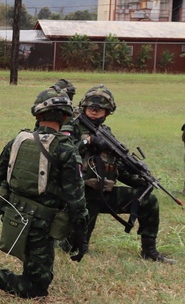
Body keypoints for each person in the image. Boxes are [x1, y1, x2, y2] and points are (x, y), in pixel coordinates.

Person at [0, 90, 88, 299]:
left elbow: (1, 175)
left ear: (37, 116)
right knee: (37, 288)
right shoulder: (65, 150)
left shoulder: (18, 141)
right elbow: (77, 200)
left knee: (38, 269)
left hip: (13, 216)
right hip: (41, 225)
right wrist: (80, 238)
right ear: (66, 117)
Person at [63, 85, 172, 263]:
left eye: (99, 110)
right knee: (72, 248)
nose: (94, 113)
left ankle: (149, 250)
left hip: (103, 195)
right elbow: (63, 154)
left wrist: (139, 179)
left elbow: (117, 168)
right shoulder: (72, 127)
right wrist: (88, 141)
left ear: (108, 112)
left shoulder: (106, 134)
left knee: (148, 201)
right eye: (92, 108)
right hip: (78, 198)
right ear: (84, 107)